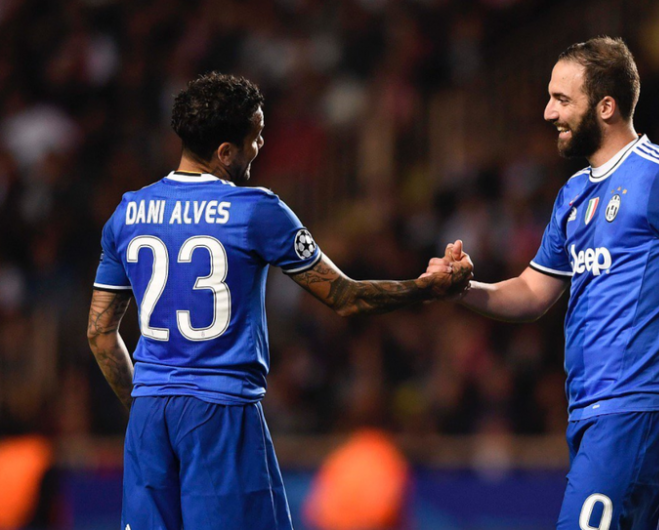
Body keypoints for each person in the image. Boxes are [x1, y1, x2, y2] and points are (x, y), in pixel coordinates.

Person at [86, 72, 472, 530]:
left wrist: (145, 407)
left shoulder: (127, 212)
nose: (261, 144)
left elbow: (100, 334)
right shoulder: (255, 211)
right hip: (220, 412)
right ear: (225, 152)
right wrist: (425, 288)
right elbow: (345, 297)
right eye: (255, 135)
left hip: (150, 414)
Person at [426, 37, 659, 529]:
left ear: (605, 107)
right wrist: (464, 290)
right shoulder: (574, 194)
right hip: (593, 412)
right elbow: (532, 292)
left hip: (637, 405)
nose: (547, 112)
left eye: (561, 99)